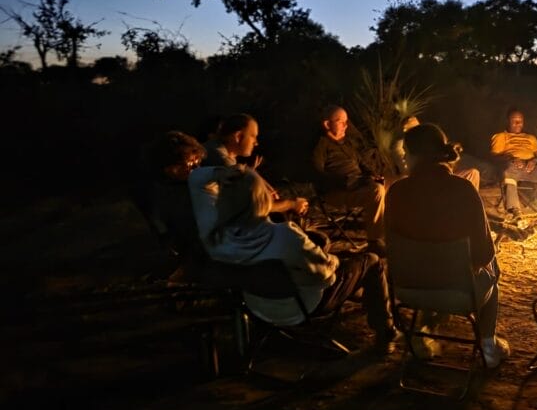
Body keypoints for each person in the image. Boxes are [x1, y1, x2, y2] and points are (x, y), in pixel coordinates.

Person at [193, 165, 397, 353]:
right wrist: (334, 260)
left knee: (318, 247)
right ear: (262, 199)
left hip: (255, 304)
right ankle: (385, 332)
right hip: (300, 307)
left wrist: (228, 173)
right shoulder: (284, 236)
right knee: (372, 260)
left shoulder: (215, 236)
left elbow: (196, 177)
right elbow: (325, 277)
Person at [385, 122, 510, 368]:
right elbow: (484, 253)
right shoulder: (463, 190)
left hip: (407, 287)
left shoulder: (397, 192)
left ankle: (421, 333)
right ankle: (488, 346)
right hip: (458, 291)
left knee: (431, 267)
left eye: (405, 153)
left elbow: (389, 244)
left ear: (411, 155)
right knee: (492, 267)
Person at [310, 105, 386, 253]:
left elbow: (362, 164)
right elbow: (317, 175)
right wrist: (348, 181)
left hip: (358, 185)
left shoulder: (346, 144)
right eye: (340, 121)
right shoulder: (320, 145)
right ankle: (374, 242)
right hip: (337, 192)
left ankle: (389, 232)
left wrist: (373, 175)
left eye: (346, 121)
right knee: (376, 191)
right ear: (327, 124)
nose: (346, 125)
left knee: (388, 184)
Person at [203, 113, 309, 218]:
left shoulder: (214, 147)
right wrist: (292, 204)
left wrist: (255, 176)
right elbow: (256, 207)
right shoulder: (224, 163)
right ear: (238, 136)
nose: (256, 143)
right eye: (253, 136)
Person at [139, 130, 209, 279]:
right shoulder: (162, 192)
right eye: (191, 164)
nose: (197, 168)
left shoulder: (190, 183)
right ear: (170, 168)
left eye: (197, 161)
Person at [395, 115, 481, 189]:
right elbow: (406, 169)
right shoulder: (401, 144)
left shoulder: (425, 139)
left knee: (473, 173)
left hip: (438, 176)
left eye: (418, 127)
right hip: (422, 180)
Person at [490, 108, 537, 219]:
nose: (517, 124)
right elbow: (495, 156)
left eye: (520, 121)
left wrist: (533, 161)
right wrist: (512, 159)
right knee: (508, 169)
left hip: (531, 168)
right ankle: (515, 210)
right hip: (512, 167)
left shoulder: (531, 138)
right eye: (514, 121)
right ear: (508, 121)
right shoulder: (500, 136)